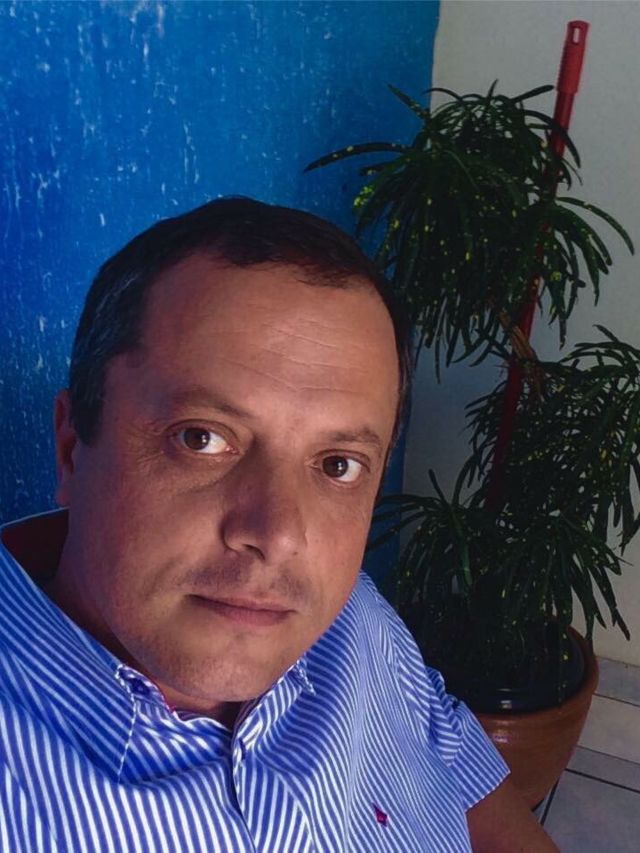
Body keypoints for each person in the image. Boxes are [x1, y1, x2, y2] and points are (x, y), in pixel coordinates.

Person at [0, 198, 557, 852]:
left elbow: (461, 775)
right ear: (72, 448)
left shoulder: (354, 621)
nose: (280, 535)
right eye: (202, 437)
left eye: (338, 464)